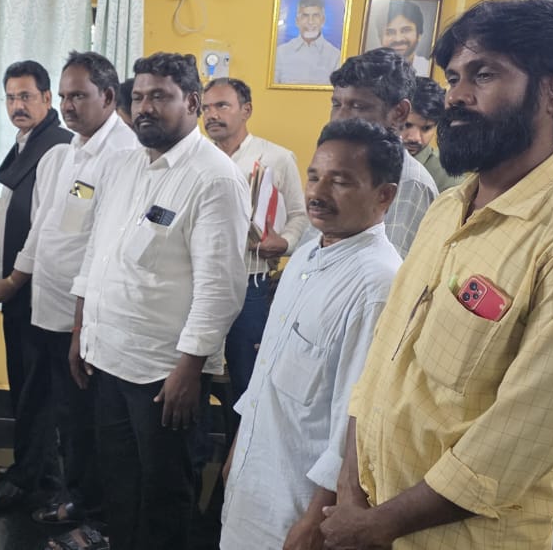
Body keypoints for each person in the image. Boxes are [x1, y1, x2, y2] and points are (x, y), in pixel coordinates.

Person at [321, 0, 553, 549]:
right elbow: (379, 367)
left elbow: (516, 441)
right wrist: (351, 494)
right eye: (454, 77)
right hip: (371, 522)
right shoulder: (448, 210)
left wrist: (379, 524)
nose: (455, 95)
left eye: (484, 74)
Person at [70, 52, 249, 550]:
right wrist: (81, 329)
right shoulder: (125, 165)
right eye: (139, 97)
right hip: (108, 359)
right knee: (120, 487)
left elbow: (220, 288)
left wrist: (190, 369)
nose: (145, 107)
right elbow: (97, 252)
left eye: (159, 96)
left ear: (191, 102)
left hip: (162, 374)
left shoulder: (214, 177)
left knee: (164, 496)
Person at [220, 118, 403, 550]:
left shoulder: (377, 285)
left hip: (299, 508)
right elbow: (265, 378)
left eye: (340, 181)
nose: (318, 193)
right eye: (314, 176)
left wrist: (315, 519)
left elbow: (353, 423)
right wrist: (235, 453)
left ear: (384, 195)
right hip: (253, 481)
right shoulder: (304, 257)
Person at [0, 51, 138, 543]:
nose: (69, 106)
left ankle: (98, 517)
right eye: (66, 97)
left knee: (91, 420)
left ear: (108, 97)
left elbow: (105, 246)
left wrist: (80, 320)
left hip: (86, 315)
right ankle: (77, 496)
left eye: (79, 96)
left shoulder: (125, 156)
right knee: (64, 416)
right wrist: (15, 280)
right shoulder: (63, 153)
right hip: (46, 307)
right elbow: (44, 229)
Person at [0, 60, 74, 506]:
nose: (18, 105)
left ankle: (33, 478)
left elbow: (47, 226)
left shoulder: (57, 148)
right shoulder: (28, 142)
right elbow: (30, 207)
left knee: (37, 388)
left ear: (47, 98)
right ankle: (32, 465)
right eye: (11, 97)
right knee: (24, 382)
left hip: (37, 291)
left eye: (26, 96)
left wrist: (14, 281)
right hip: (22, 289)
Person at [201, 77, 307, 414]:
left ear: (246, 110)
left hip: (251, 283)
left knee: (247, 380)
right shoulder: (197, 158)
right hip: (199, 284)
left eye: (222, 105)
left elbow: (300, 215)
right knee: (195, 376)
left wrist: (285, 242)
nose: (211, 115)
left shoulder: (276, 157)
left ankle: (241, 444)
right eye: (205, 108)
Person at [325, 48, 439, 257]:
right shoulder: (337, 166)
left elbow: (388, 272)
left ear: (400, 113)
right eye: (336, 104)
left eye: (357, 106)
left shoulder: (409, 183)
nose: (339, 118)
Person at [403, 76, 462, 191]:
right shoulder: (372, 158)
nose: (415, 138)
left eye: (426, 128)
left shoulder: (447, 177)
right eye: (407, 125)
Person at [275, 0, 342, 86]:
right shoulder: (280, 53)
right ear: (297, 21)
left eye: (315, 16)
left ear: (323, 20)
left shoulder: (335, 56)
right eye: (305, 16)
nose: (310, 21)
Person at [379, 0, 431, 76]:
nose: (398, 39)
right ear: (380, 37)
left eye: (406, 30)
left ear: (419, 34)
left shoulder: (428, 69)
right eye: (390, 32)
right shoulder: (367, 72)